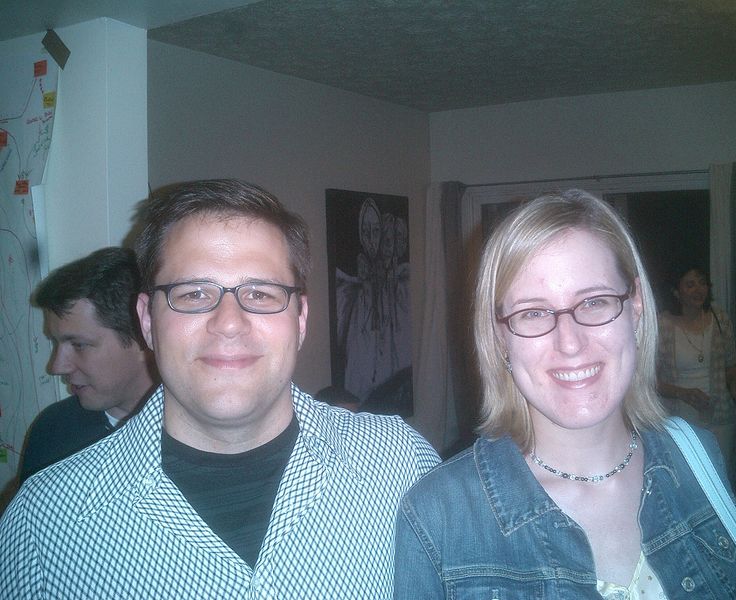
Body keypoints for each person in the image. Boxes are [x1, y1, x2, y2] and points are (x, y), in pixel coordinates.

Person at [0, 179, 439, 598]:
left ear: (300, 319)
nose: (229, 323)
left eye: (261, 294)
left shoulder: (403, 467)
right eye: (193, 294)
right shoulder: (44, 525)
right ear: (147, 321)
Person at [394, 190, 736, 598]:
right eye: (533, 312)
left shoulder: (697, 458)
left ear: (636, 307)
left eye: (594, 302)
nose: (570, 343)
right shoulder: (437, 517)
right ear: (500, 336)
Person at [20, 246, 157, 483]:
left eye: (79, 345)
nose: (57, 367)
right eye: (55, 343)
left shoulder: (195, 438)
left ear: (143, 338)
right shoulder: (52, 430)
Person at [656, 265, 736, 468]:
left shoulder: (720, 319)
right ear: (676, 292)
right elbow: (648, 381)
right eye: (690, 285)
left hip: (720, 416)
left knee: (720, 474)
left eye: (702, 283)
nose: (698, 290)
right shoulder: (662, 325)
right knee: (685, 475)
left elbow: (732, 365)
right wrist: (683, 393)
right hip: (678, 420)